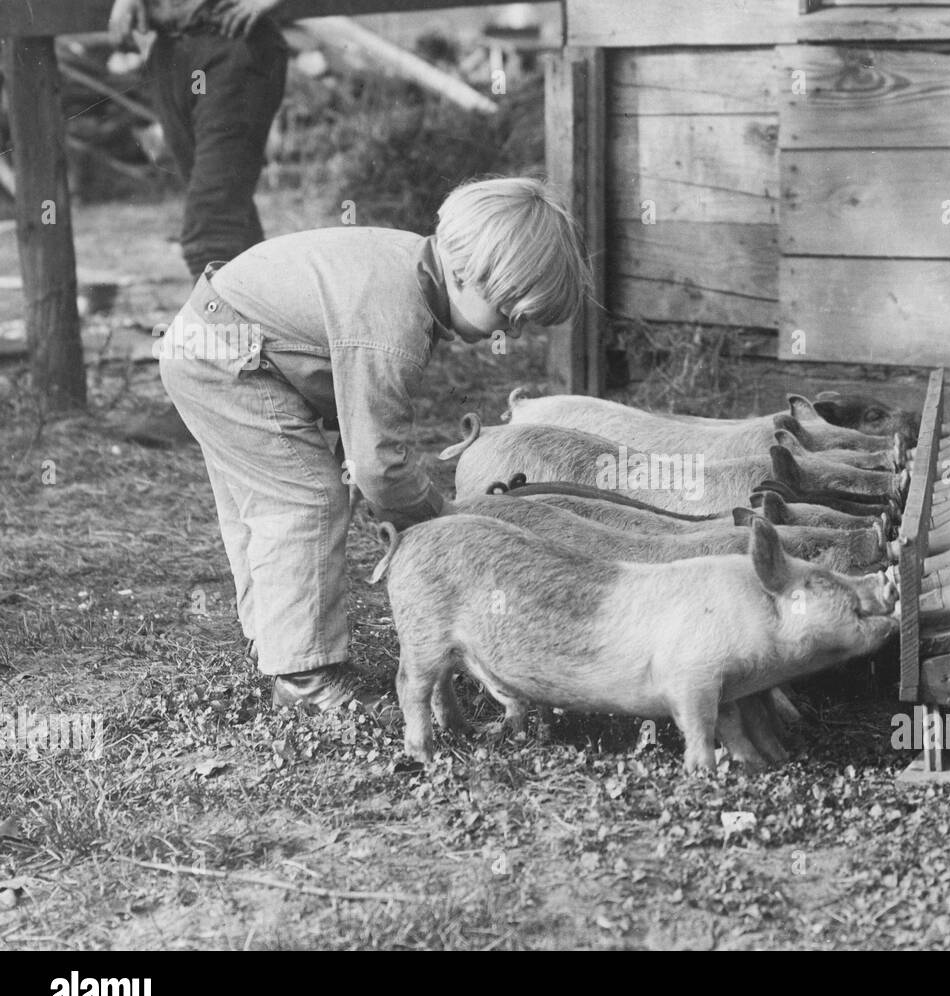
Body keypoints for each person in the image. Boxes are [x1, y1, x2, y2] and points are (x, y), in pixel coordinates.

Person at [155, 177, 592, 712]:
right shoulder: (394, 323)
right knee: (306, 499)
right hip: (227, 359)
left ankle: (278, 642)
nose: (515, 336)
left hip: (211, 338)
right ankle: (304, 680)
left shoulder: (410, 266)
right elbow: (378, 467)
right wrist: (442, 518)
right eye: (509, 316)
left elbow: (357, 417)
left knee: (261, 504)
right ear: (459, 273)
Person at [108, 0, 288, 446]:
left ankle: (211, 396)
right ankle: (260, 388)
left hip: (231, 47)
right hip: (172, 50)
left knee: (212, 228)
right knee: (232, 225)